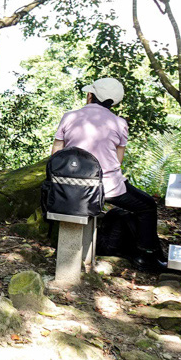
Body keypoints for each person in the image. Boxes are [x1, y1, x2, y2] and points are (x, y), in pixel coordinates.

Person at [52, 78, 167, 273]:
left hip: (67, 185)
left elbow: (56, 155)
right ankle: (145, 255)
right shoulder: (119, 123)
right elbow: (117, 162)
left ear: (90, 96)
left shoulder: (69, 117)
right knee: (147, 206)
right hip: (105, 187)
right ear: (112, 102)